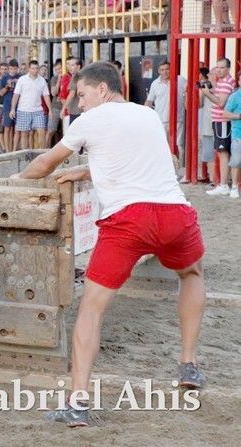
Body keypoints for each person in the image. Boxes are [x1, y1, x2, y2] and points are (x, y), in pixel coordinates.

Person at [19, 61, 207, 428]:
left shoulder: (90, 120)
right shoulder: (147, 115)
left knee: (91, 308)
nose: (79, 103)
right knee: (192, 274)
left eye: (82, 94)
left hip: (128, 221)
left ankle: (77, 402)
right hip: (175, 214)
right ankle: (189, 363)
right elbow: (150, 159)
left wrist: (15, 179)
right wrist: (90, 169)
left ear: (102, 89)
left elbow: (44, 163)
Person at [204, 58, 237, 196]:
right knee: (222, 151)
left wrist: (207, 93)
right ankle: (224, 184)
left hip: (223, 121)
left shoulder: (226, 83)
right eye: (217, 67)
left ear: (228, 69)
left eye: (222, 67)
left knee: (223, 152)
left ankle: (223, 185)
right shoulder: (223, 82)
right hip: (220, 121)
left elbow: (221, 103)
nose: (218, 70)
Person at [145, 61, 187, 163]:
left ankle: (179, 166)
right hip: (161, 120)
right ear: (159, 71)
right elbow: (149, 101)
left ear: (171, 69)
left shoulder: (181, 80)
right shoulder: (155, 84)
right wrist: (144, 115)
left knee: (179, 145)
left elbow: (189, 93)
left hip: (178, 119)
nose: (165, 72)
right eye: (162, 70)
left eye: (167, 69)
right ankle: (166, 165)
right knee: (163, 145)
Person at [10, 60, 51, 149]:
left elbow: (46, 96)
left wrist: (50, 110)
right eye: (33, 68)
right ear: (29, 69)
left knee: (42, 132)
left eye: (36, 68)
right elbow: (16, 95)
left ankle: (41, 152)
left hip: (38, 110)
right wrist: (12, 109)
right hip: (23, 110)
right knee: (24, 133)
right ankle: (25, 153)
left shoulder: (42, 80)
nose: (35, 70)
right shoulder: (22, 79)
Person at [222, 81, 241, 198]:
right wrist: (238, 116)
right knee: (237, 161)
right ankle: (234, 186)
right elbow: (225, 114)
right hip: (238, 134)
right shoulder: (234, 96)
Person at [198, 67, 216, 185]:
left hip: (218, 124)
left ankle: (218, 179)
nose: (208, 76)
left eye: (211, 74)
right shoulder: (206, 88)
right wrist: (201, 92)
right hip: (207, 126)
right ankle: (213, 178)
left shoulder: (224, 88)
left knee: (221, 152)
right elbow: (199, 104)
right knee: (209, 153)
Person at [0, 59, 21, 151]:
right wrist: (7, 86)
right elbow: (1, 93)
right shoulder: (4, 78)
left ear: (17, 68)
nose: (13, 71)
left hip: (19, 106)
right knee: (7, 128)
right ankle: (7, 151)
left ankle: (14, 150)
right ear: (9, 68)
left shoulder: (21, 77)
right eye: (11, 69)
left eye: (14, 69)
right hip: (7, 106)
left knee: (17, 129)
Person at [60, 56, 83, 132]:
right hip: (81, 110)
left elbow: (72, 94)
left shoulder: (76, 77)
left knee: (74, 134)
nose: (69, 67)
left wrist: (63, 108)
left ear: (78, 66)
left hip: (76, 111)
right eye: (68, 64)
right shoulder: (84, 76)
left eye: (72, 65)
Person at [46, 59, 63, 147]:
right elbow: (53, 93)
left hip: (67, 108)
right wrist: (59, 80)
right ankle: (45, 150)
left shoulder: (69, 77)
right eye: (56, 70)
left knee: (64, 132)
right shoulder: (54, 78)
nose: (58, 71)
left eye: (59, 69)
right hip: (56, 107)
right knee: (51, 131)